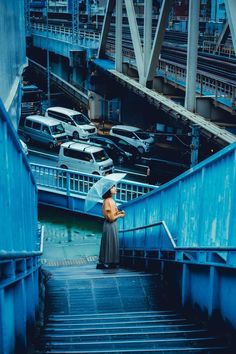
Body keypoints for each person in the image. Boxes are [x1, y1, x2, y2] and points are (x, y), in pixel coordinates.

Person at [96, 185, 125, 269]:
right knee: (111, 242)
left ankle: (106, 261)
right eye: (112, 188)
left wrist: (119, 213)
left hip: (109, 225)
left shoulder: (107, 200)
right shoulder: (109, 201)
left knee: (109, 243)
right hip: (111, 225)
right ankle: (109, 262)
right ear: (108, 190)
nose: (115, 189)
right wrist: (120, 215)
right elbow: (111, 218)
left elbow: (112, 214)